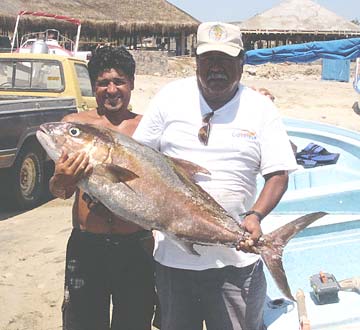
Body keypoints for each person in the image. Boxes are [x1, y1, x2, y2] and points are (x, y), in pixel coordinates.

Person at [133, 22, 298, 330]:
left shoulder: (260, 108)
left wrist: (255, 215)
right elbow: (140, 160)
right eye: (208, 59)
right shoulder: (169, 97)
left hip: (236, 266)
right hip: (174, 262)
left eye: (225, 59)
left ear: (242, 62)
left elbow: (278, 173)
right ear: (196, 60)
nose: (216, 67)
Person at [49, 46, 156, 330]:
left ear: (131, 83)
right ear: (93, 86)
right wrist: (61, 179)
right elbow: (61, 192)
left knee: (134, 323)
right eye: (103, 83)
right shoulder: (74, 127)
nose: (111, 90)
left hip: (137, 246)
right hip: (88, 247)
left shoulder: (147, 129)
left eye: (119, 81)